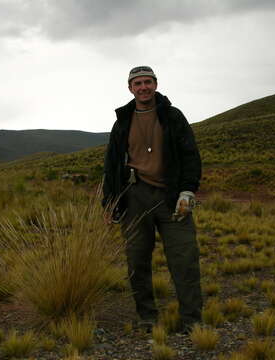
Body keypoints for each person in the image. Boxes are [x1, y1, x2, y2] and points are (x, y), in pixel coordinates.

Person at [102, 66, 202, 333]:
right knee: (137, 260)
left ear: (156, 85)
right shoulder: (122, 120)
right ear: (130, 88)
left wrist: (188, 191)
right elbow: (111, 165)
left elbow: (190, 155)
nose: (143, 87)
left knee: (184, 259)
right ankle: (147, 317)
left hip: (172, 198)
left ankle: (192, 320)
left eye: (148, 82)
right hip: (134, 197)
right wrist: (110, 203)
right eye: (138, 83)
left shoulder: (172, 116)